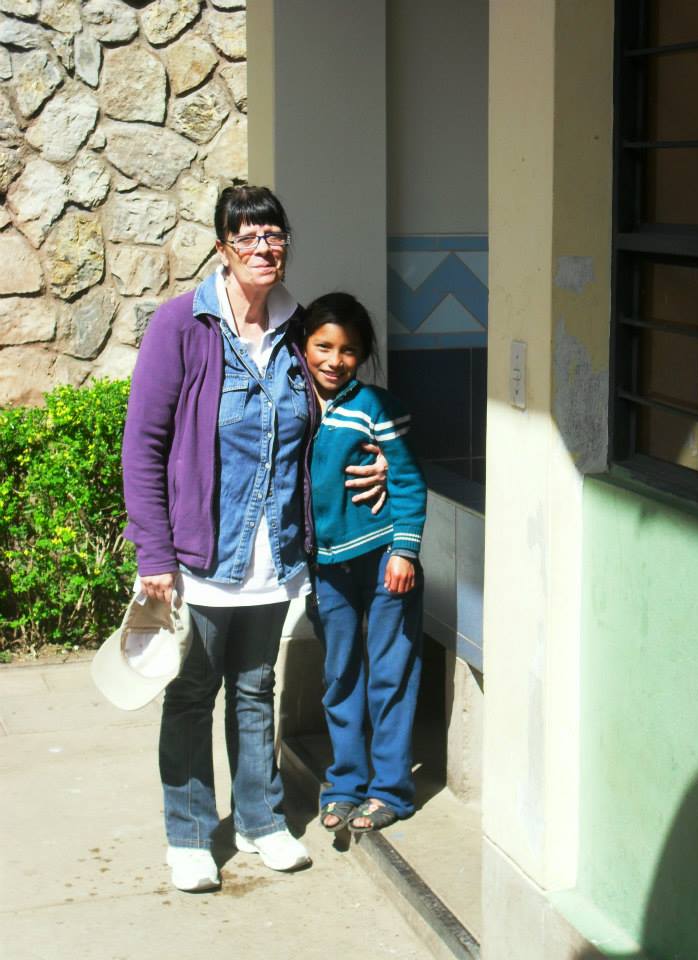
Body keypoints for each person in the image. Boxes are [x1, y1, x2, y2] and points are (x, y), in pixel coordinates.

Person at [122, 186, 387, 892]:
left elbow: (339, 409)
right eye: (247, 237)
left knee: (255, 687)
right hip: (202, 554)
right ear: (223, 248)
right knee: (192, 691)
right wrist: (154, 553)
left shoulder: (298, 327)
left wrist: (382, 456)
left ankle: (260, 820)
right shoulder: (183, 326)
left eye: (274, 236)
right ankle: (188, 834)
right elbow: (143, 446)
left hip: (277, 551)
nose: (264, 248)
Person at [303, 292, 427, 834]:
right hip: (326, 568)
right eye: (323, 346)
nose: (335, 360)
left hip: (383, 562)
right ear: (304, 346)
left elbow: (408, 479)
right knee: (340, 674)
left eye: (349, 350)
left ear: (364, 354)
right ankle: (345, 784)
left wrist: (404, 550)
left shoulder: (376, 406)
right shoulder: (294, 403)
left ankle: (390, 791)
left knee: (390, 674)